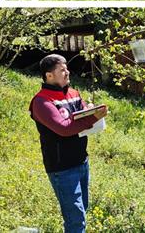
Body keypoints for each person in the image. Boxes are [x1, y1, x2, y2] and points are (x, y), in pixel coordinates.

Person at [30, 54, 108, 233]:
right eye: (62, 70)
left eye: (66, 68)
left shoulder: (73, 94)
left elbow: (82, 116)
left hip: (82, 162)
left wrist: (92, 111)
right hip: (62, 168)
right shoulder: (42, 101)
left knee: (82, 210)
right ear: (49, 75)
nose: (67, 72)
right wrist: (93, 118)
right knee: (75, 220)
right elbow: (63, 128)